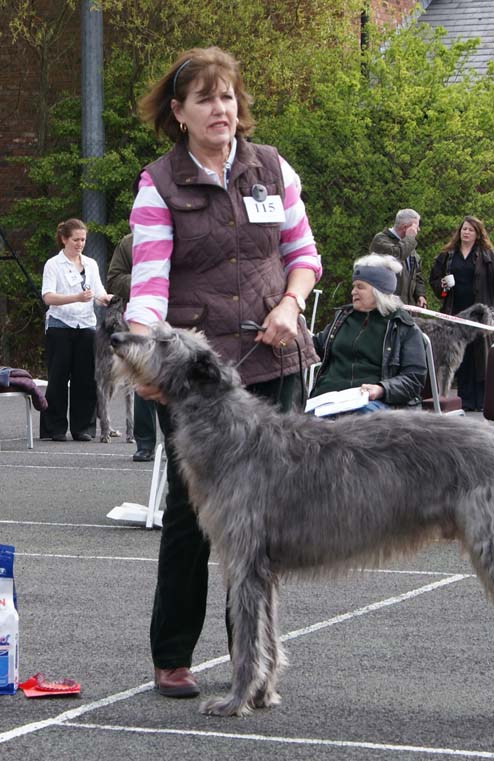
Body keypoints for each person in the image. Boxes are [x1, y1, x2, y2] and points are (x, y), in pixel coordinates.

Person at [124, 46, 322, 698]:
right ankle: (173, 654)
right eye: (206, 98)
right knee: (191, 514)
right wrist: (145, 355)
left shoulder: (273, 169)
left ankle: (253, 661)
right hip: (196, 376)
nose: (221, 109)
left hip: (271, 359)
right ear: (179, 112)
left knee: (265, 519)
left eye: (228, 97)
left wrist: (291, 303)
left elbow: (305, 256)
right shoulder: (159, 185)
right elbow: (149, 289)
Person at [311, 254, 427, 411]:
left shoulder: (403, 326)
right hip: (326, 399)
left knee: (361, 424)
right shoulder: (342, 318)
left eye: (360, 287)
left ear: (379, 291)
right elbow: (313, 347)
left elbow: (414, 379)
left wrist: (381, 389)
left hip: (373, 404)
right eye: (353, 286)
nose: (353, 292)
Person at [39, 219, 112, 442]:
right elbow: (48, 297)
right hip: (60, 325)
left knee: (85, 378)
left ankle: (83, 428)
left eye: (83, 239)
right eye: (76, 239)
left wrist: (107, 299)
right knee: (58, 377)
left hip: (86, 325)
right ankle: (55, 428)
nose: (80, 243)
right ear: (64, 239)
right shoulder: (53, 264)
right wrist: (76, 297)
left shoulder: (90, 263)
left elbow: (98, 292)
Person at [429, 215, 494, 411]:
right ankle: (463, 400)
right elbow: (436, 284)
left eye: (470, 230)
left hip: (479, 314)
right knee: (457, 355)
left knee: (481, 356)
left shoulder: (487, 254)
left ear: (478, 234)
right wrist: (442, 286)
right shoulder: (447, 256)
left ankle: (481, 401)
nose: (466, 232)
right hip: (454, 313)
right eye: (464, 229)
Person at [106, 233, 157, 462]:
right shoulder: (129, 242)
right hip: (142, 319)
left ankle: (181, 444)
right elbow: (114, 279)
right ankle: (145, 443)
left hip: (183, 316)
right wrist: (145, 280)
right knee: (143, 378)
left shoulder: (188, 231)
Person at [368, 209, 427, 307]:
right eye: (416, 226)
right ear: (405, 227)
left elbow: (416, 275)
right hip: (387, 306)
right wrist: (410, 238)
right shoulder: (380, 240)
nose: (419, 230)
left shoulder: (407, 245)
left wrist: (420, 295)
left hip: (407, 307)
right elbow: (398, 255)